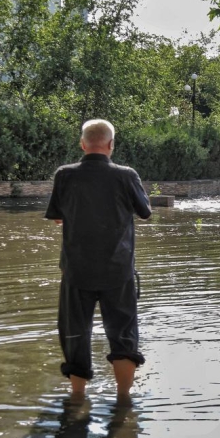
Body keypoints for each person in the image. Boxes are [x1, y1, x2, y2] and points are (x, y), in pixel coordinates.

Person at [45, 119, 152, 398]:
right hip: (118, 271)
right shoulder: (126, 175)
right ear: (111, 145)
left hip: (76, 272)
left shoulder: (64, 175)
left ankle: (78, 397)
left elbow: (57, 218)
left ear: (83, 144)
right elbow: (145, 212)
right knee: (124, 333)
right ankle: (123, 399)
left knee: (74, 333)